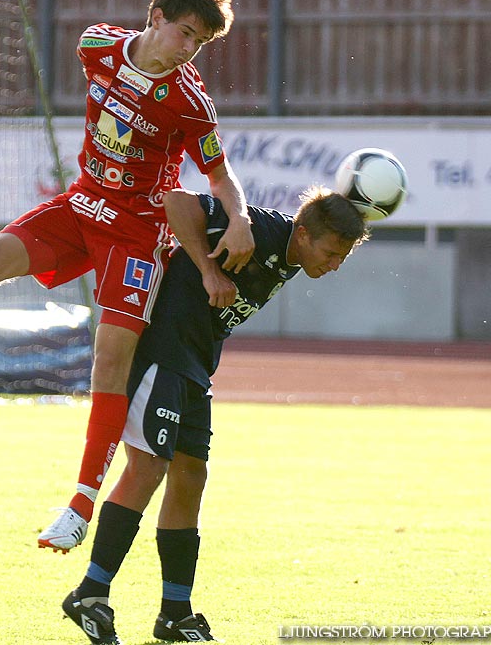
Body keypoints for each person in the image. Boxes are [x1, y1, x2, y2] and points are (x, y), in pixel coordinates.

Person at [0, 0, 255, 553]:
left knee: (109, 358)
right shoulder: (97, 46)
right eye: (186, 33)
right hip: (82, 203)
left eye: (200, 43)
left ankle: (80, 502)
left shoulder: (190, 101)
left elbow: (219, 177)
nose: (189, 49)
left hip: (138, 233)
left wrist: (237, 217)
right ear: (157, 18)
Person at [60, 186, 370, 643]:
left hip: (195, 364)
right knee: (147, 468)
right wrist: (208, 269)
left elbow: (326, 217)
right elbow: (176, 201)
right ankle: (91, 594)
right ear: (302, 235)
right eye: (331, 252)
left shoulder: (292, 253)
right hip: (160, 351)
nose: (335, 264)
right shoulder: (259, 229)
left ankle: (175, 613)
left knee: (191, 476)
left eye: (342, 256)